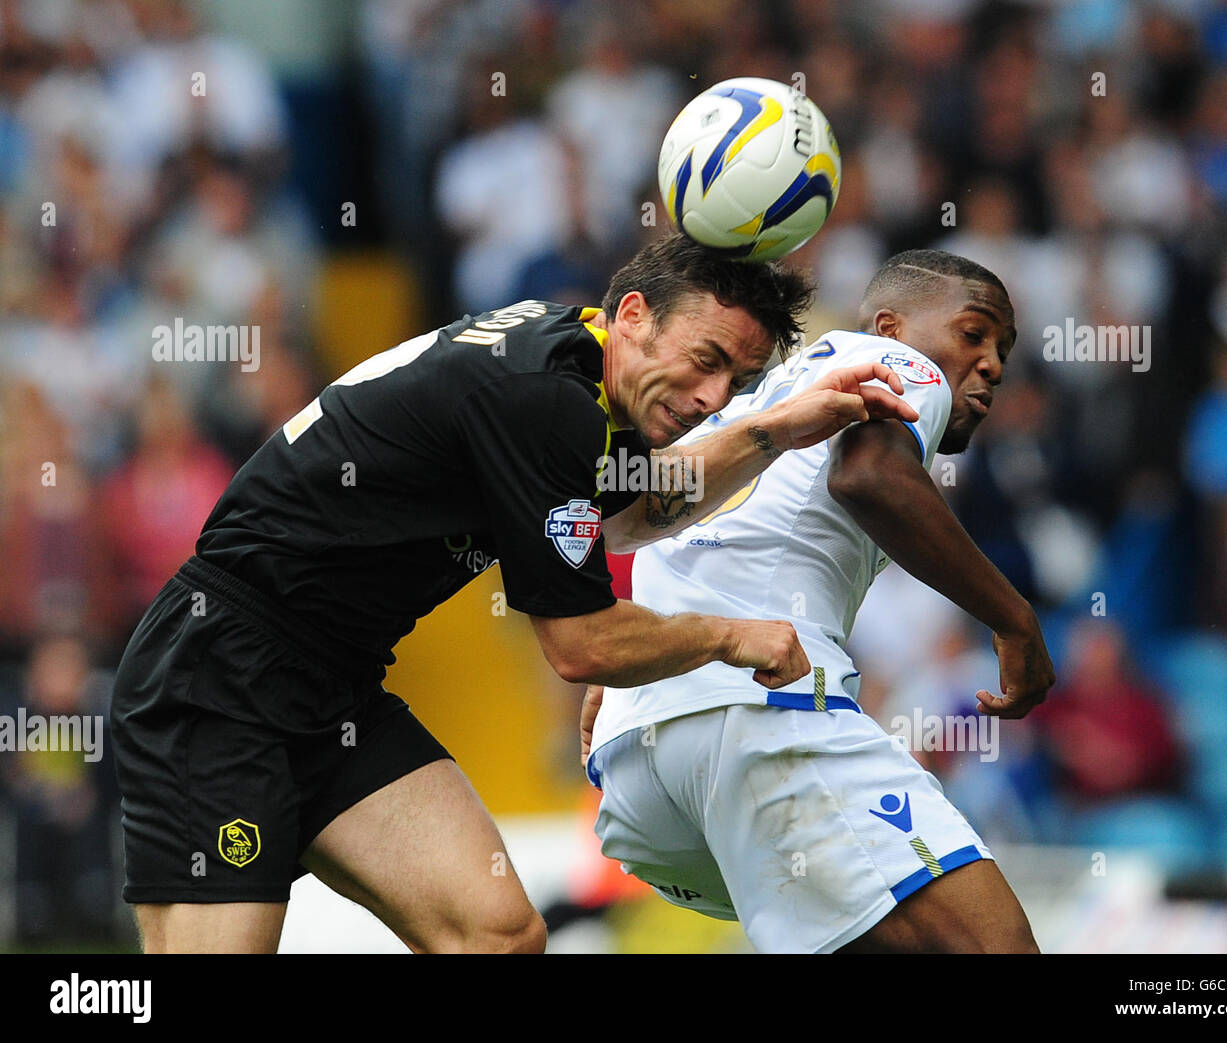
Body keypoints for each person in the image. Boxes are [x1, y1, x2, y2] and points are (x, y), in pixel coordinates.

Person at [109, 232, 920, 954]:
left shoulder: (569, 362)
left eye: (739, 380)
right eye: (707, 360)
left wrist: (775, 427)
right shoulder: (544, 401)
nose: (714, 397)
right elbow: (581, 644)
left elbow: (637, 510)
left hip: (335, 692)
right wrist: (732, 637)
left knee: (496, 933)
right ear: (633, 312)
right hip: (217, 677)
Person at [582, 249, 1056, 954]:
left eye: (1002, 351)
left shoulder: (755, 404)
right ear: (893, 325)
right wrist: (1015, 621)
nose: (990, 362)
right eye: (973, 332)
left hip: (638, 767)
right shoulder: (894, 364)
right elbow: (867, 476)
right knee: (994, 944)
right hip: (754, 716)